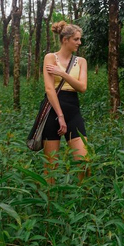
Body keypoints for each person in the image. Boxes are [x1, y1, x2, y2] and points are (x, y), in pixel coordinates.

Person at [41, 21, 89, 181]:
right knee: (51, 165)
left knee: (84, 161)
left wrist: (63, 74)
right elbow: (49, 89)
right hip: (52, 110)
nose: (79, 42)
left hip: (73, 108)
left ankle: (85, 198)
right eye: (76, 39)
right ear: (65, 40)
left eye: (79, 39)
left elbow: (82, 87)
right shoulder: (50, 58)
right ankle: (49, 200)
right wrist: (60, 116)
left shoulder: (81, 61)